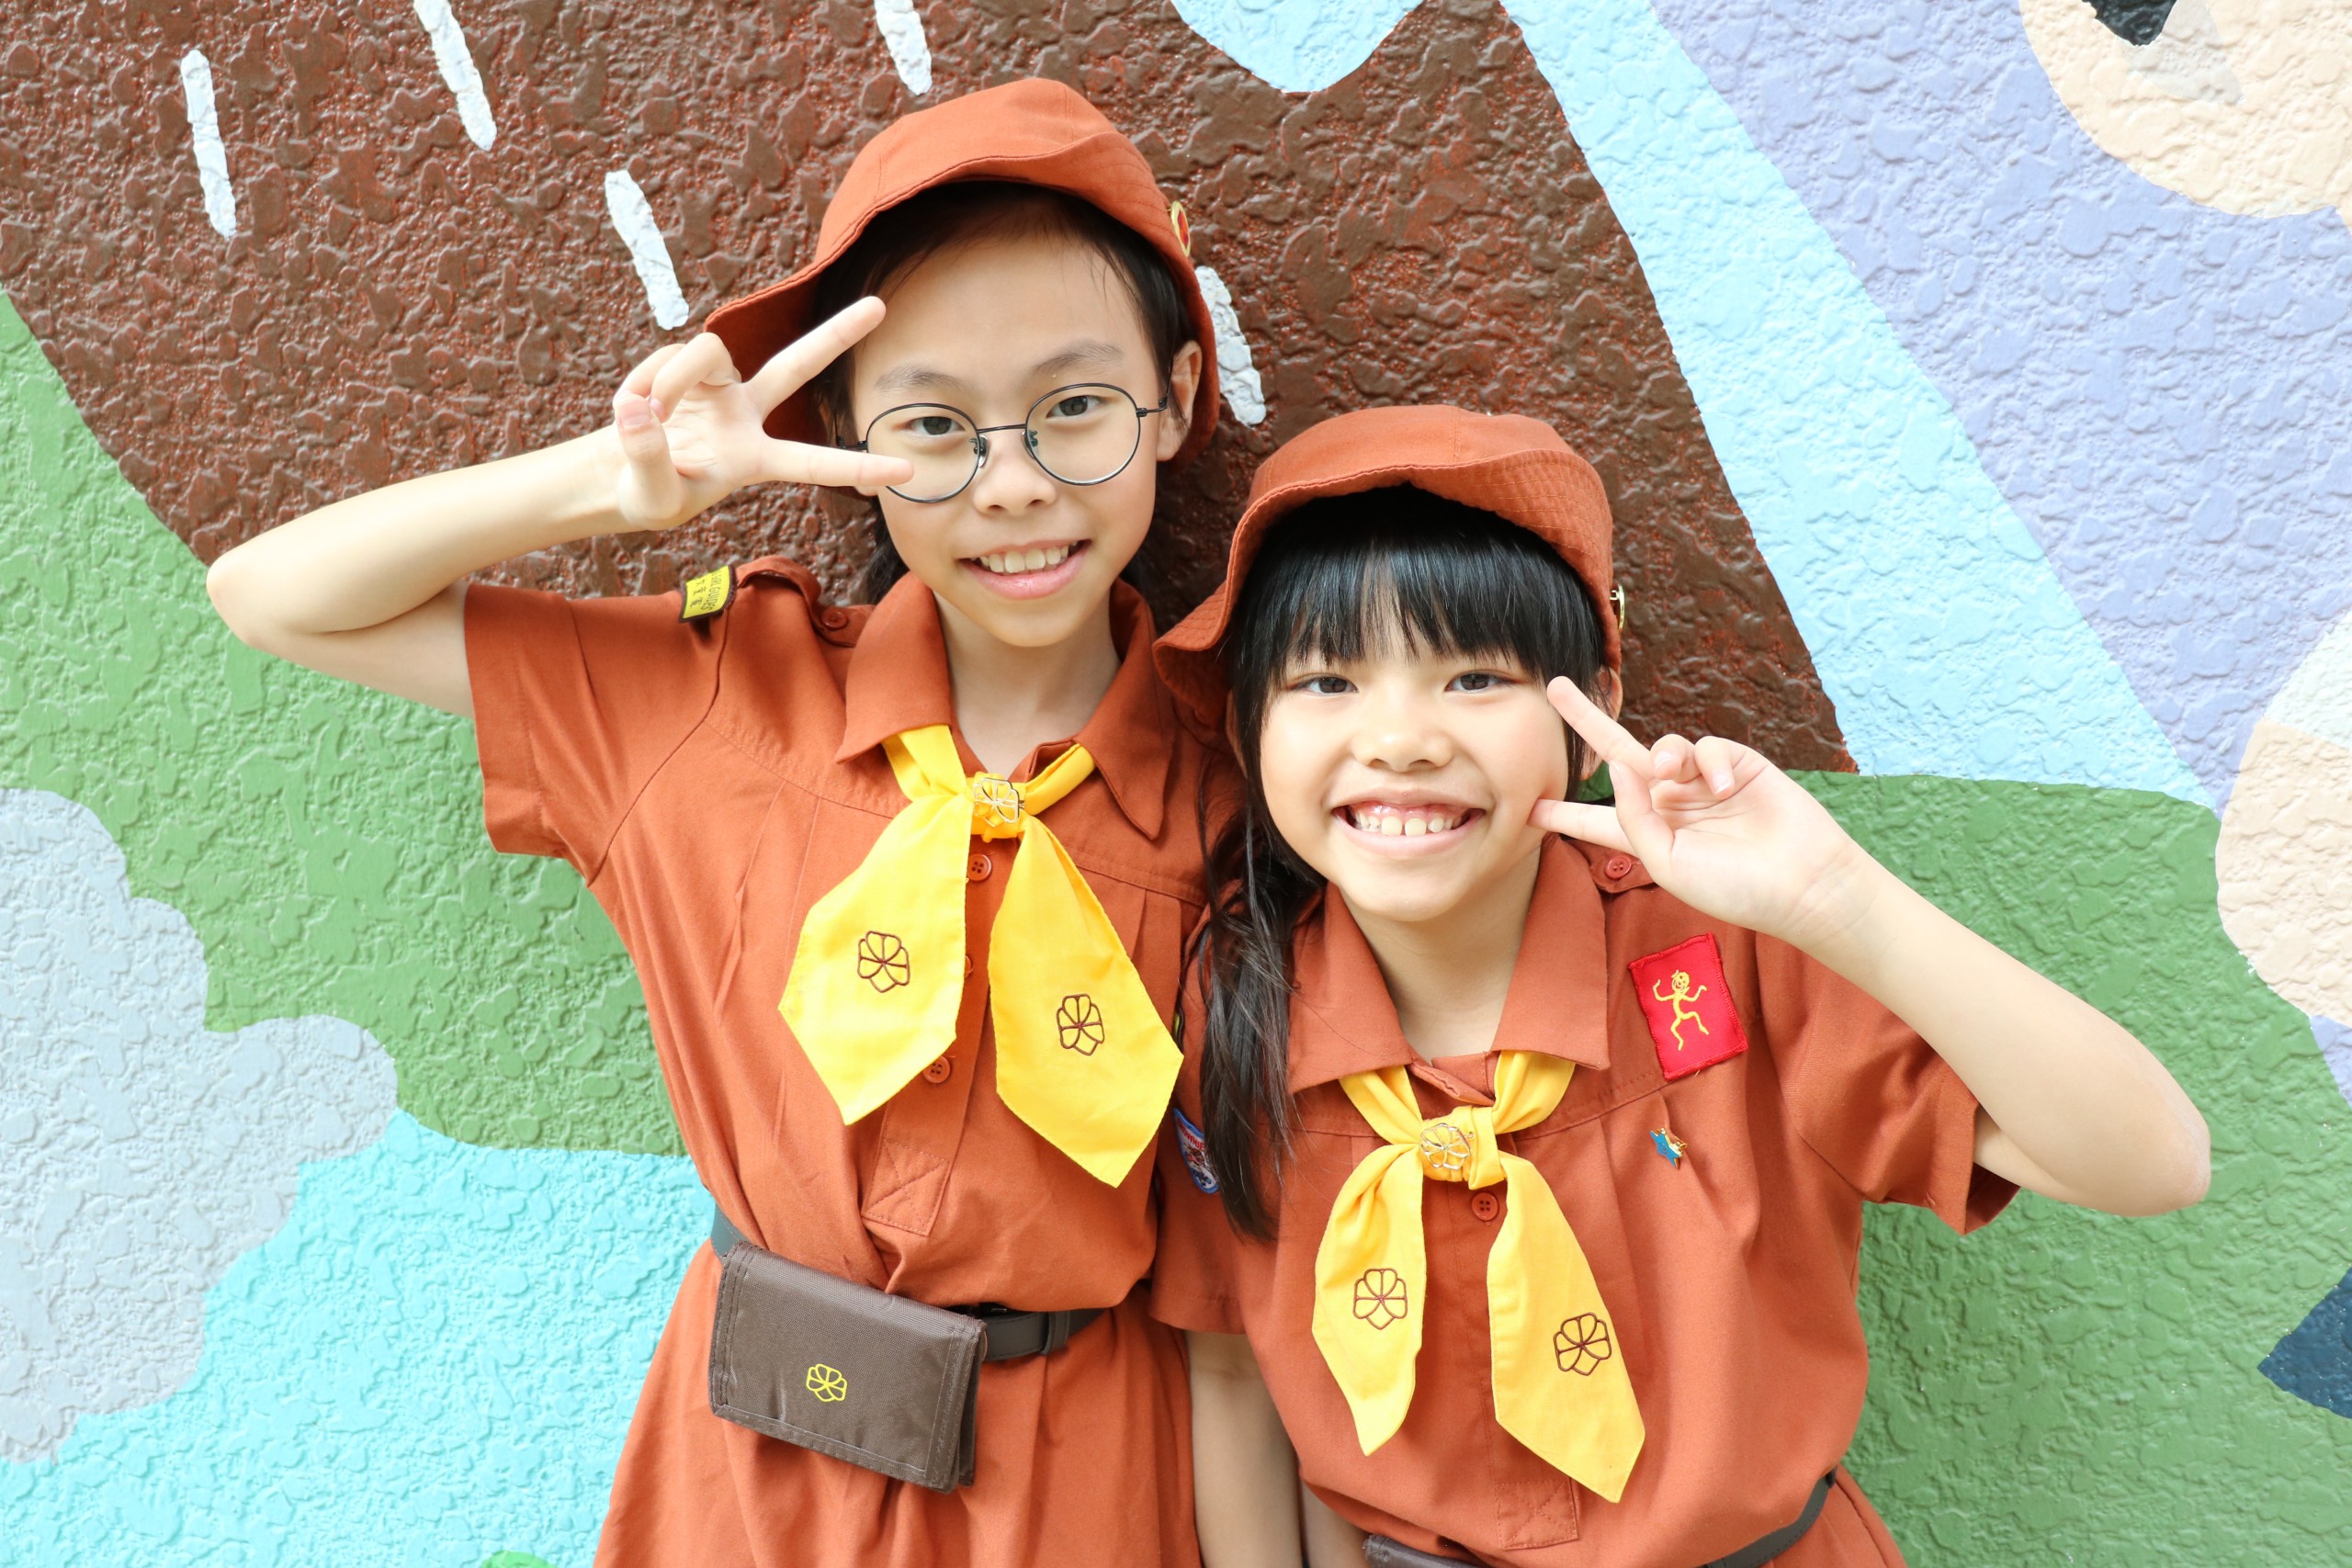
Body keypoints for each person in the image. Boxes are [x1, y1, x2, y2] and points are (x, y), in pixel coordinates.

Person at [207, 78, 1227, 1568]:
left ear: (1177, 398)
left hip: (1084, 1479)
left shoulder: (1246, 789)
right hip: (752, 1468)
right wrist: (616, 488)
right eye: (933, 425)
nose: (1010, 486)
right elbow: (273, 597)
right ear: (841, 424)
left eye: (1075, 407)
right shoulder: (716, 696)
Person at [1147, 405, 2211, 1568]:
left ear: (1592, 709)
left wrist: (1837, 901)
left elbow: (2154, 1163)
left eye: (1475, 677)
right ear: (1246, 724)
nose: (1399, 740)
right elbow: (1231, 1369)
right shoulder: (1234, 1003)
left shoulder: (1730, 953)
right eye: (1326, 681)